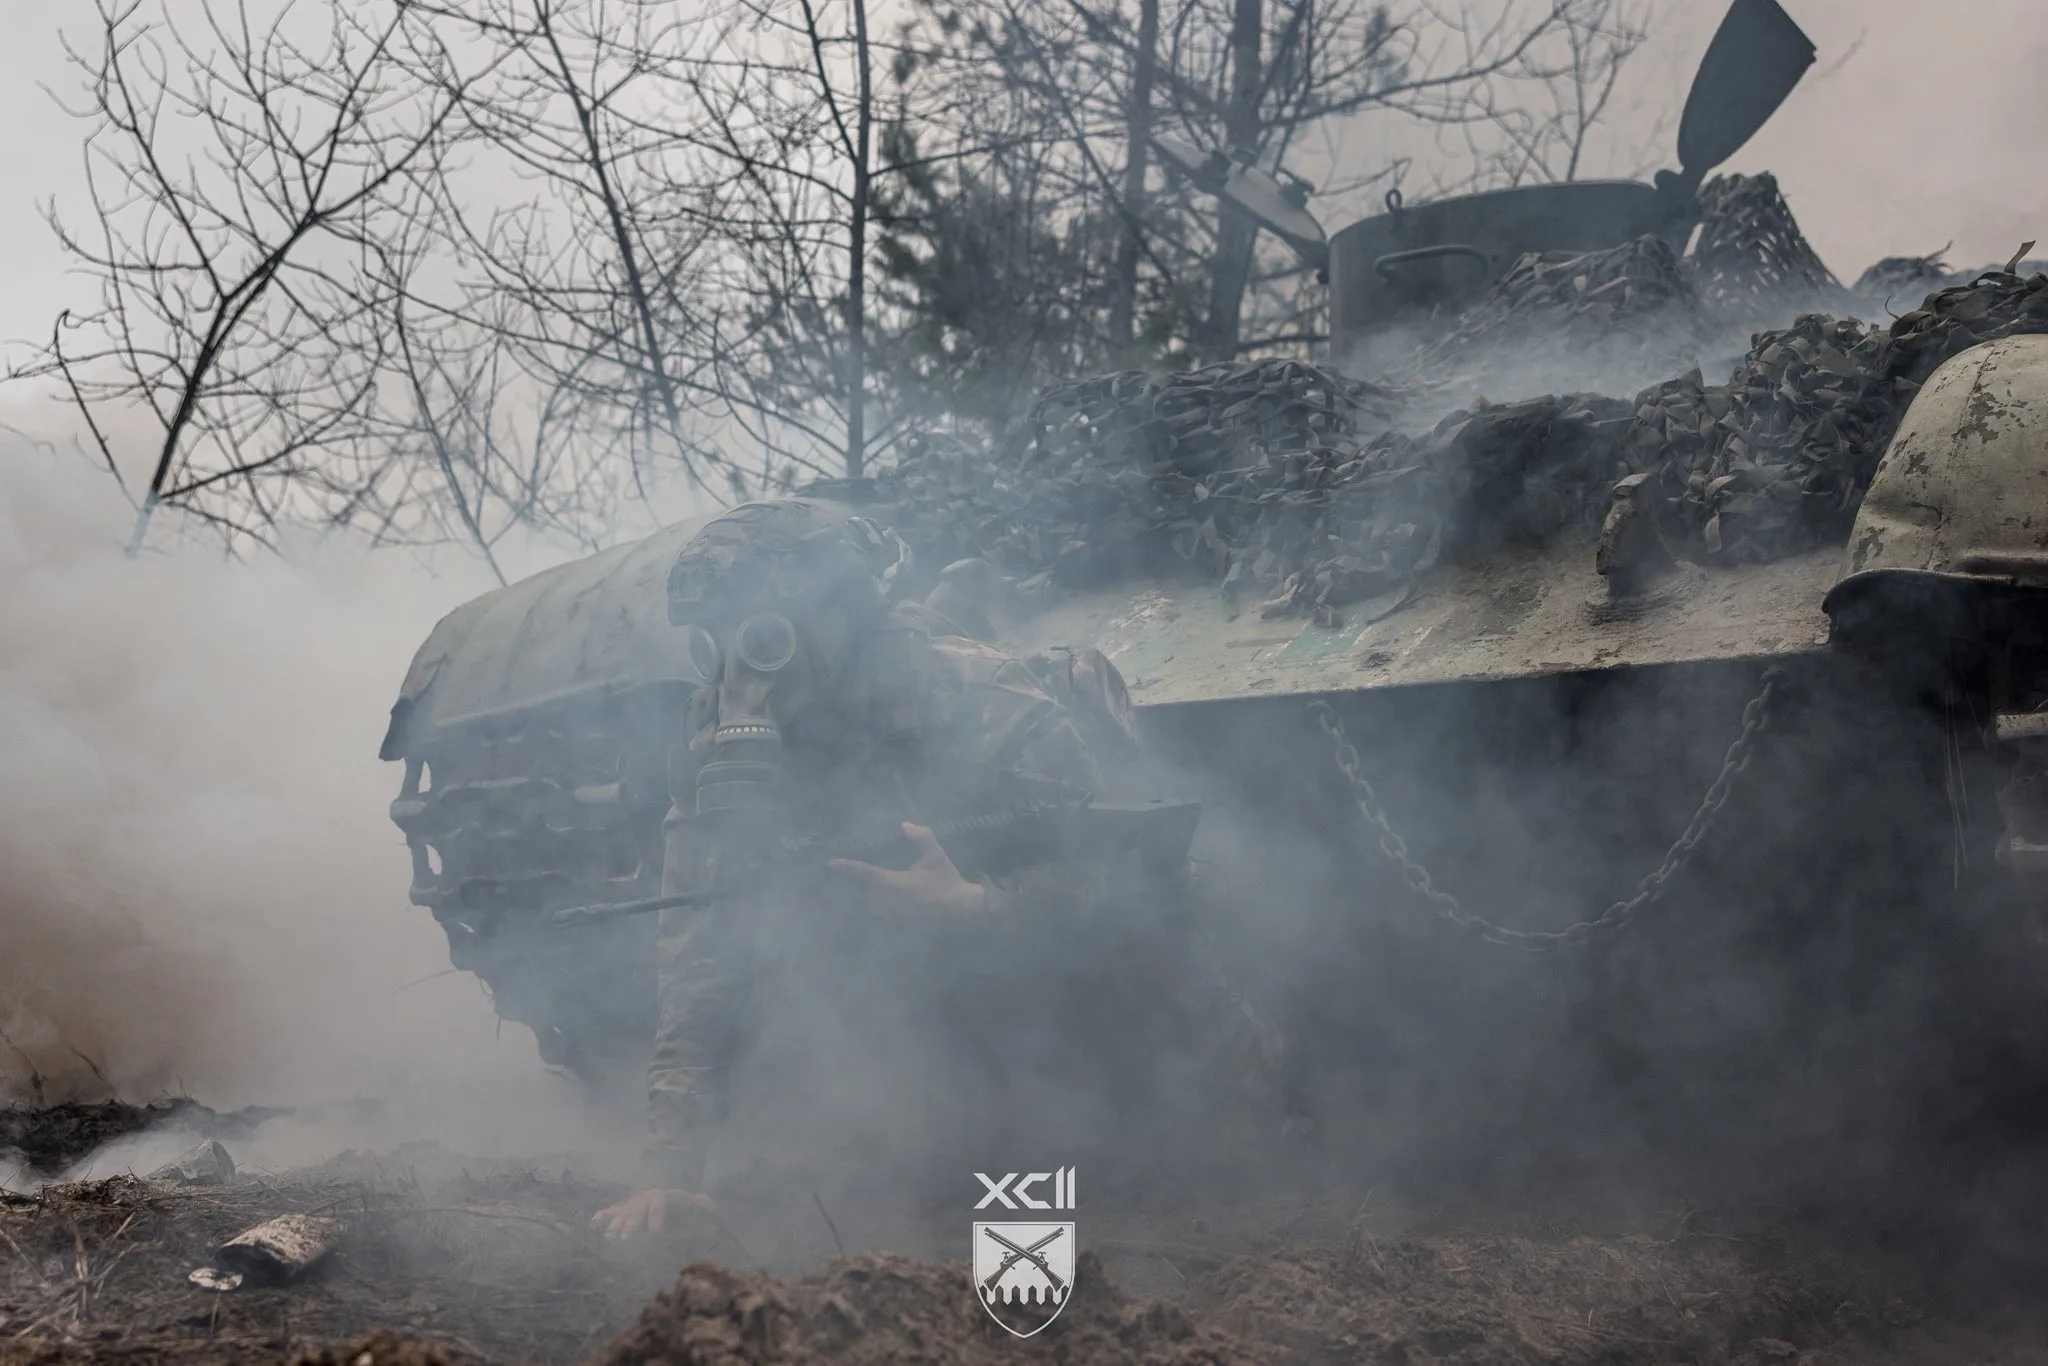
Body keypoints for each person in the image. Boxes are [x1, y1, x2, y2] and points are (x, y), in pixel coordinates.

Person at [592, 500, 1284, 1240]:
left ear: (839, 618)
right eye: (716, 647)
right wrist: (670, 1167)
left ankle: (1235, 1139)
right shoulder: (721, 758)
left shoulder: (982, 702)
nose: (741, 678)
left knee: (1207, 1192)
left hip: (1114, 1011)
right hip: (949, 1033)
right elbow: (700, 960)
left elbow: (1149, 883)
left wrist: (979, 905)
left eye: (764, 639)